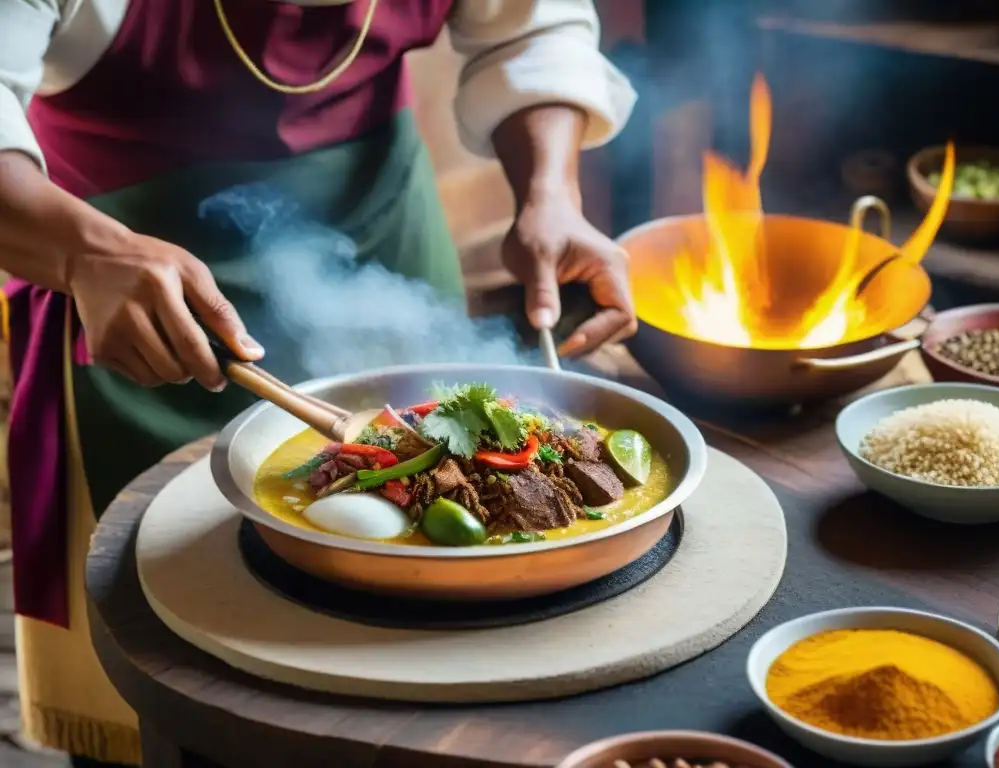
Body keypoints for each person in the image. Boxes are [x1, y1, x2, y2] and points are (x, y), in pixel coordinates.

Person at [0, 0, 636, 765]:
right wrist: (84, 253)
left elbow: (533, 25)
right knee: (192, 665)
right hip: (122, 268)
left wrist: (551, 194)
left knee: (434, 668)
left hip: (382, 237)